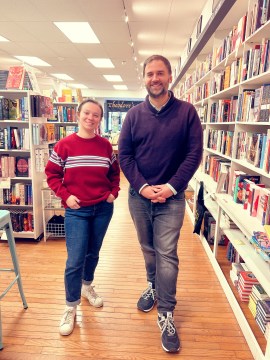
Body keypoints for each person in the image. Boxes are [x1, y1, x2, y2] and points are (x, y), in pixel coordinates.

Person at [118, 55, 203, 353]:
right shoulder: (133, 116)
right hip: (139, 199)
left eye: (160, 73)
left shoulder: (187, 113)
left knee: (167, 254)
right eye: (150, 74)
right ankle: (153, 286)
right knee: (147, 248)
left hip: (172, 198)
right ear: (144, 78)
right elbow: (124, 155)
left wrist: (169, 188)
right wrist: (142, 187)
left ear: (170, 77)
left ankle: (166, 312)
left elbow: (193, 155)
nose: (155, 78)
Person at [45, 99, 120, 336]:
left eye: (96, 115)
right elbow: (52, 174)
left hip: (102, 208)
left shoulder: (106, 146)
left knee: (93, 253)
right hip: (76, 210)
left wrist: (113, 193)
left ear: (100, 119)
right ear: (78, 115)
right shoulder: (63, 146)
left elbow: (115, 173)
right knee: (75, 259)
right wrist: (65, 197)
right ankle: (70, 306)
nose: (91, 118)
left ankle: (87, 287)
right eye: (87, 113)